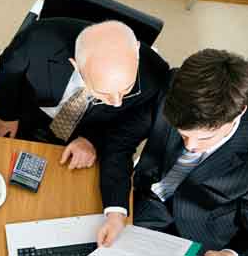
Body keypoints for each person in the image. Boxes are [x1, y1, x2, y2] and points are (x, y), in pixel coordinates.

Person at [97, 49, 248, 256]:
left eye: (204, 138)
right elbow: (120, 142)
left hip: (206, 237)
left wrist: (232, 253)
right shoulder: (171, 86)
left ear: (239, 111)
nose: (190, 146)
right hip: (145, 199)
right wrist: (116, 212)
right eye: (183, 135)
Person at [0, 18, 170, 171]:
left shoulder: (155, 74)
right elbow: (10, 71)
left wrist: (92, 140)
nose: (116, 102)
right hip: (29, 111)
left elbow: (134, 118)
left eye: (126, 89)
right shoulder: (37, 40)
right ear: (76, 65)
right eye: (102, 92)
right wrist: (6, 114)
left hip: (86, 131)